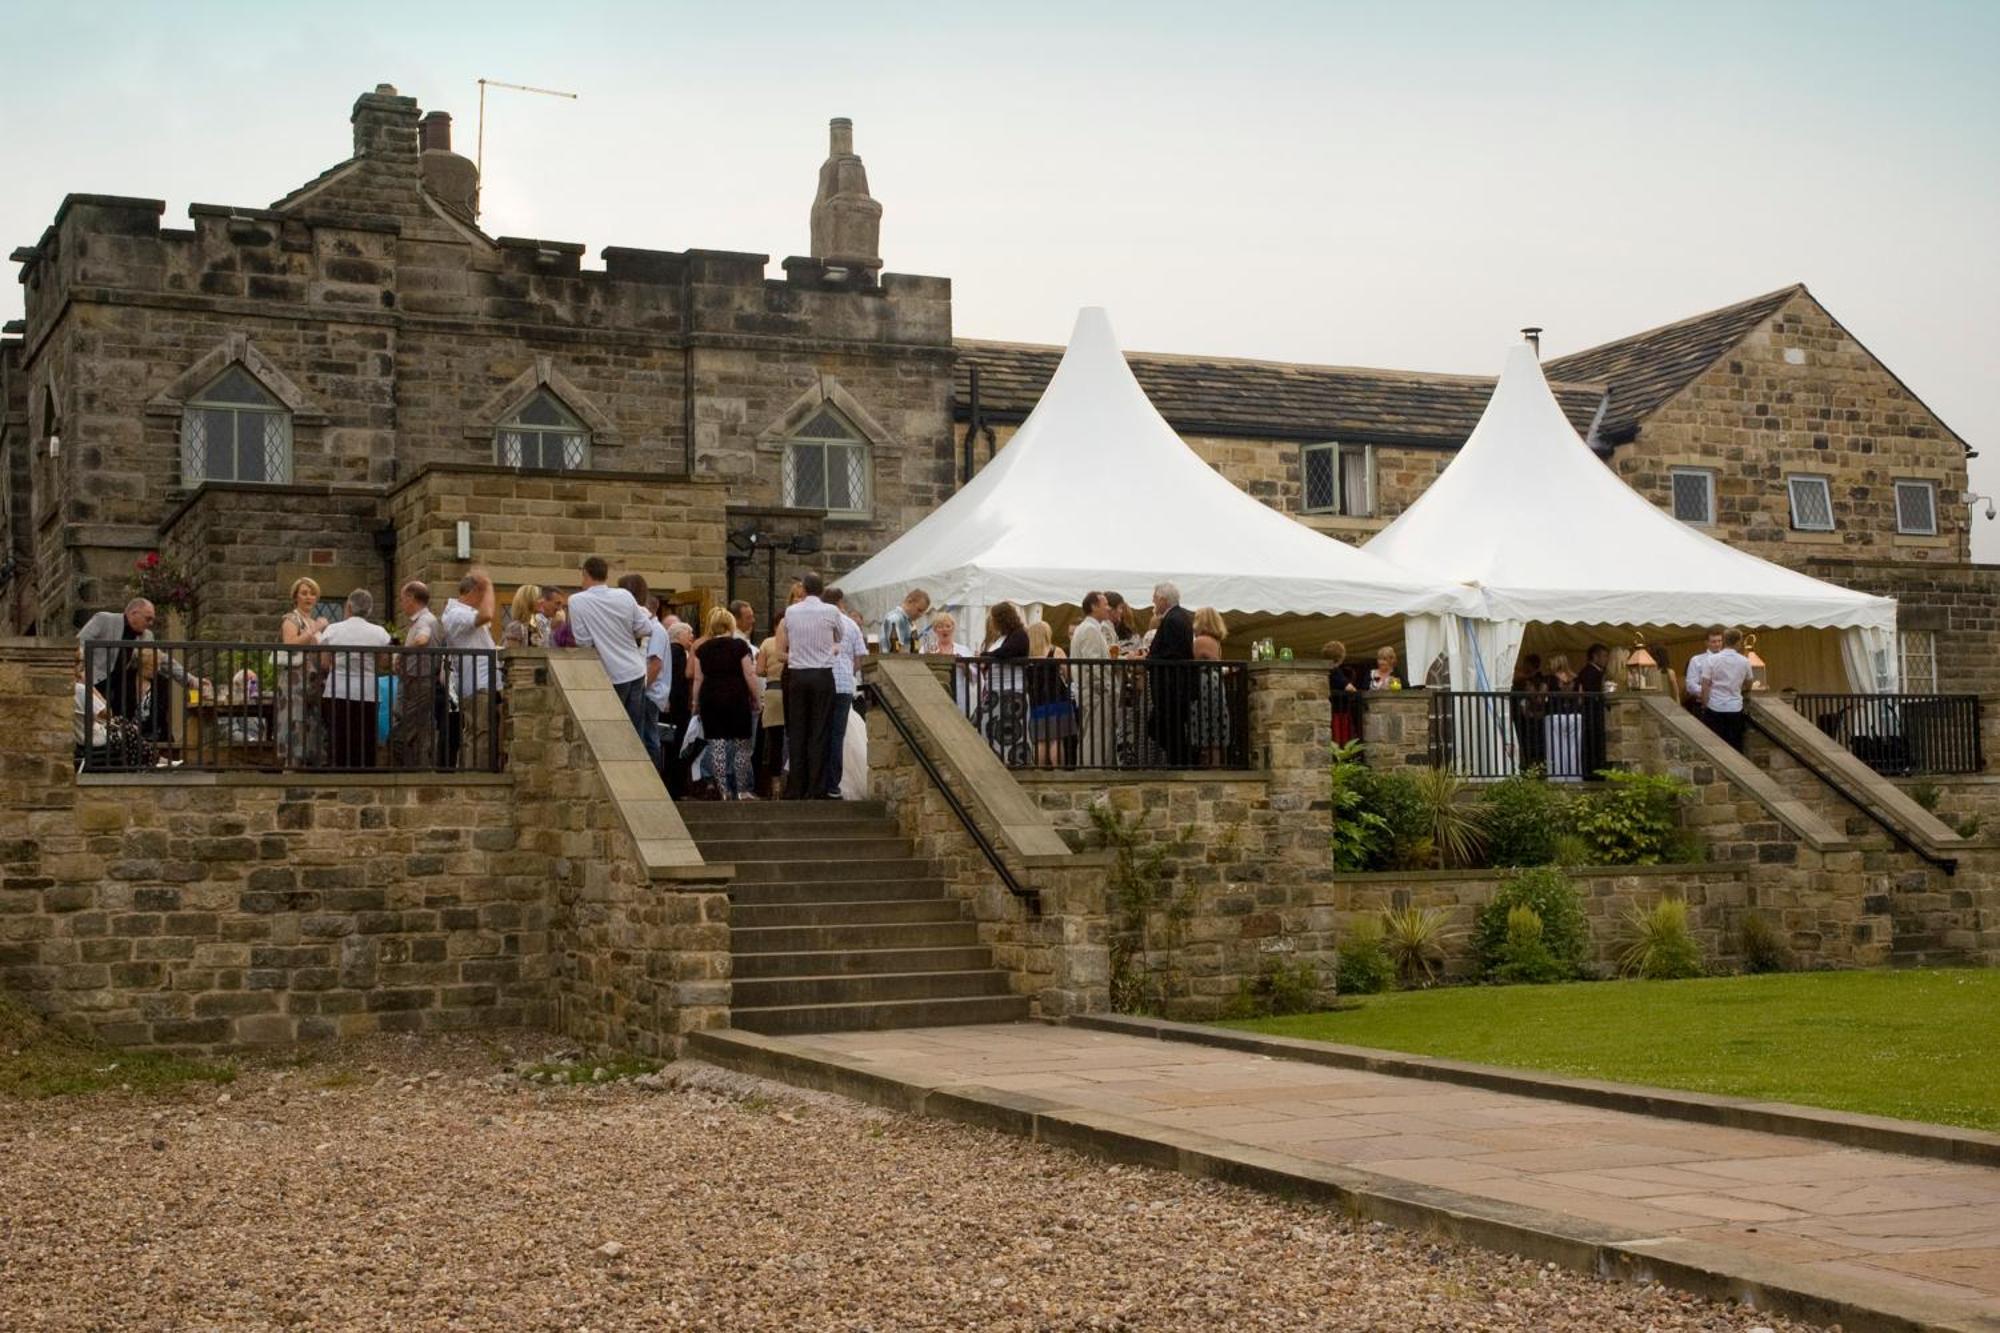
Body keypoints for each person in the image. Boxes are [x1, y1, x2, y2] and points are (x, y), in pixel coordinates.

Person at [566, 557, 655, 753]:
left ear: (586, 574)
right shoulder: (624, 595)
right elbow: (646, 628)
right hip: (636, 669)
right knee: (635, 734)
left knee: (610, 734)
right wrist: (624, 633)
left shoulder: (577, 601)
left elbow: (583, 641)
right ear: (606, 574)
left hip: (609, 673)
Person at [77, 597, 207, 721]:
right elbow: (79, 644)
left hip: (120, 689)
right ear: (134, 613)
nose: (150, 624)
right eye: (148, 619)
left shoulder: (147, 636)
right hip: (93, 682)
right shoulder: (104, 620)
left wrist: (190, 680)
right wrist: (80, 672)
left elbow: (162, 660)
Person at [781, 571, 843, 799]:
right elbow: (839, 635)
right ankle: (816, 787)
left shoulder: (791, 611)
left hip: (797, 675)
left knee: (797, 731)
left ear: (804, 589)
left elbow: (787, 638)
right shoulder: (831, 611)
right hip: (822, 675)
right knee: (820, 731)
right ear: (822, 590)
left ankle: (796, 786)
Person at [692, 607, 761, 799]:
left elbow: (698, 679)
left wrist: (694, 703)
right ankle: (741, 789)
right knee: (742, 745)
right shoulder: (739, 646)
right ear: (730, 624)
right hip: (736, 697)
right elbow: (749, 674)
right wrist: (756, 697)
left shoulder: (701, 649)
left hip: (710, 699)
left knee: (717, 746)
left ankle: (723, 791)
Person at [319, 588, 392, 769]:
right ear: (369, 610)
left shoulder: (333, 630)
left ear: (348, 607)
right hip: (366, 691)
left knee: (338, 736)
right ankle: (364, 775)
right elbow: (384, 663)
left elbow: (324, 663)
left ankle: (338, 773)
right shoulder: (379, 632)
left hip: (338, 689)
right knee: (365, 738)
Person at [440, 570, 497, 769]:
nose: (486, 600)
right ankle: (475, 773)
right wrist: (488, 584)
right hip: (476, 683)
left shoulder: (462, 613)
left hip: (481, 681)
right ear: (474, 592)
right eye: (483, 595)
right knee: (479, 732)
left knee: (479, 731)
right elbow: (487, 614)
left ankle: (474, 770)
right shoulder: (456, 614)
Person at [275, 577, 330, 768]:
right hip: (295, 678)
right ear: (295, 596)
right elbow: (290, 643)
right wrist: (315, 629)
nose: (309, 597)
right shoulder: (291, 619)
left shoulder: (313, 621)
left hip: (314, 680)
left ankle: (308, 762)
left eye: (312, 593)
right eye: (304, 593)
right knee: (294, 718)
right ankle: (291, 764)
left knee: (311, 720)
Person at [820, 588, 869, 798]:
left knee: (819, 733)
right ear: (841, 601)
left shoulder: (818, 621)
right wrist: (850, 670)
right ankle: (833, 785)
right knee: (837, 735)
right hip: (843, 685)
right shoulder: (851, 624)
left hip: (821, 683)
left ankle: (818, 781)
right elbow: (860, 658)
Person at [73, 648, 156, 770]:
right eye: (81, 662)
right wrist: (90, 686)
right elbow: (108, 713)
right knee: (129, 731)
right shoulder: (80, 689)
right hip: (95, 738)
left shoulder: (70, 689)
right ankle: (148, 763)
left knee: (126, 726)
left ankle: (150, 761)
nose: (83, 666)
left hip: (86, 735)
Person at [623, 575, 672, 775]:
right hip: (651, 691)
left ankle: (653, 775)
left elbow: (655, 664)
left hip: (650, 692)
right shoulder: (653, 629)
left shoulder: (656, 630)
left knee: (649, 737)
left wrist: (641, 687)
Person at [391, 580, 442, 769]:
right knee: (422, 735)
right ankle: (420, 774)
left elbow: (423, 639)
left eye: (403, 599)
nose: (401, 603)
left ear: (412, 598)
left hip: (420, 683)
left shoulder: (425, 620)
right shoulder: (423, 620)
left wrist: (402, 653)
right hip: (418, 682)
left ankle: (409, 774)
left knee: (398, 738)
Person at [1070, 593, 1115, 766]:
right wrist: (1104, 687)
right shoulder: (1090, 629)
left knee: (1093, 733)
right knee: (1096, 735)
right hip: (1095, 693)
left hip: (1092, 691)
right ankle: (1092, 769)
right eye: (1105, 604)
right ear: (1094, 606)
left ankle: (1092, 767)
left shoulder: (1090, 628)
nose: (1108, 608)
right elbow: (1094, 663)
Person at [1025, 619, 1075, 767]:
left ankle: (1038, 771)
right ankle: (1058, 771)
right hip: (1057, 697)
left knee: (1040, 740)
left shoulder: (1027, 654)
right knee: (1056, 739)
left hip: (1036, 699)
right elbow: (1068, 675)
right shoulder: (1055, 651)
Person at [1189, 607, 1232, 767]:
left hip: (1203, 684)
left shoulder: (1200, 641)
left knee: (1204, 726)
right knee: (1215, 727)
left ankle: (1209, 765)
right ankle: (1216, 765)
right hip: (1216, 683)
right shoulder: (1216, 642)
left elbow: (1192, 659)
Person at [1700, 628, 1755, 752]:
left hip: (1715, 705)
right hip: (1735, 706)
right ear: (1739, 642)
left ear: (1724, 641)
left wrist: (1705, 704)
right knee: (1735, 744)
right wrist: (1744, 689)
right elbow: (1749, 682)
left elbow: (1705, 684)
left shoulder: (1712, 659)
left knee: (1715, 746)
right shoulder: (1744, 661)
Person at [755, 620, 789, 799]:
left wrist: (770, 669)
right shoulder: (794, 642)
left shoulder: (767, 643)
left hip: (773, 692)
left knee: (775, 742)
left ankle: (775, 784)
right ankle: (791, 781)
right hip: (792, 693)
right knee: (793, 741)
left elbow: (759, 670)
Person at [1541, 652, 1584, 780]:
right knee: (1573, 749)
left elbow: (1541, 697)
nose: (1548, 666)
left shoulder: (1548, 679)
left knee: (1555, 748)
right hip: (1574, 716)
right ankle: (1574, 778)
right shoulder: (1576, 678)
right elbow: (1581, 699)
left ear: (1555, 663)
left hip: (1554, 715)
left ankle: (1557, 778)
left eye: (1550, 663)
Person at [1685, 627, 1725, 715]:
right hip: (1703, 706)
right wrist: (1709, 692)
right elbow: (1690, 685)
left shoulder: (1729, 660)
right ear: (1706, 643)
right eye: (1714, 641)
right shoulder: (1696, 660)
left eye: (1719, 641)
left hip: (1726, 706)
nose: (1717, 644)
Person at [883, 588, 931, 653]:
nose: (921, 615)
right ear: (909, 601)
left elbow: (914, 648)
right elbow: (896, 649)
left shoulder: (909, 623)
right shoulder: (895, 618)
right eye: (919, 610)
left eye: (923, 612)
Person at [502, 584, 546, 648]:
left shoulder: (536, 626)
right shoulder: (516, 627)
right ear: (528, 601)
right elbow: (513, 655)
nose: (543, 601)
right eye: (538, 598)